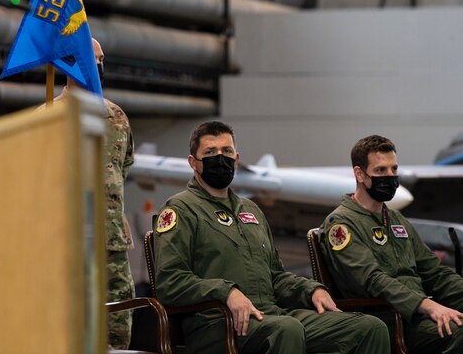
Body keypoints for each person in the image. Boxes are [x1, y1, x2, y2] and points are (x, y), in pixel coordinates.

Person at [154, 121, 390, 353]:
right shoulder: (180, 210)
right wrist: (226, 292)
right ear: (192, 162)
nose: (220, 157)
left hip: (270, 314)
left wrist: (311, 290)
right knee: (286, 330)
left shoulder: (251, 211)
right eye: (210, 152)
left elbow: (275, 276)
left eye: (226, 151)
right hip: (216, 323)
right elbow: (169, 282)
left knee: (370, 327)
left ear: (236, 159)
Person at [321, 135, 463, 353]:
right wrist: (428, 306)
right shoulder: (340, 225)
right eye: (380, 171)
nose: (390, 176)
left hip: (417, 314)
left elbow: (434, 272)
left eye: (393, 169)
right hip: (386, 319)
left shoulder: (396, 219)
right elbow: (373, 280)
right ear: (360, 174)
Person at [43, 38, 136, 349]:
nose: (98, 65)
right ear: (68, 62)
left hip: (110, 237)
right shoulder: (48, 115)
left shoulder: (116, 117)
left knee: (118, 321)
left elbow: (122, 168)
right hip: (65, 237)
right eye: (91, 58)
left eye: (101, 59)